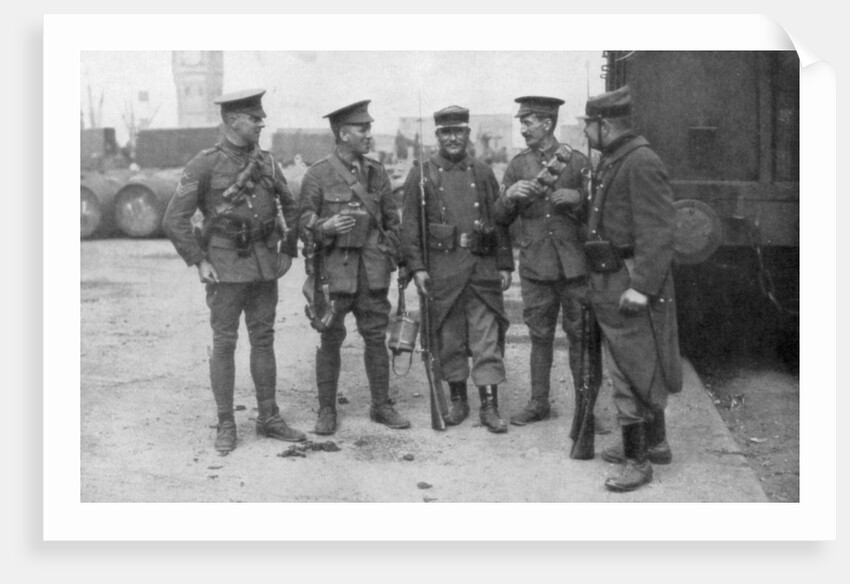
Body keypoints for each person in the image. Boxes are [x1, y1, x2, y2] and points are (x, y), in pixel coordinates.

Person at [162, 88, 306, 453]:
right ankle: (226, 423)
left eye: (261, 117)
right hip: (224, 269)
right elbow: (174, 219)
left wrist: (288, 248)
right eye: (254, 118)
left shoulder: (268, 163)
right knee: (224, 344)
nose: (261, 122)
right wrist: (199, 260)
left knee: (264, 340)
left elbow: (291, 206)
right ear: (231, 121)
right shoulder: (204, 164)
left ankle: (268, 417)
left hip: (263, 267)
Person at [580, 85, 683, 492]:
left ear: (604, 124)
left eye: (588, 124)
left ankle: (637, 461)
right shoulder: (617, 159)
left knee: (630, 369)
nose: (585, 132)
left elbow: (659, 230)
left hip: (628, 280)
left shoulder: (640, 161)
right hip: (611, 278)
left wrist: (641, 286)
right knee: (639, 361)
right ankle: (655, 443)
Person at [298, 100, 410, 435]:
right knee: (330, 338)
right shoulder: (317, 174)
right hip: (333, 271)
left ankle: (381, 405)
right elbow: (302, 221)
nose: (368, 135)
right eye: (362, 129)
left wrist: (396, 259)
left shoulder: (376, 173)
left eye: (369, 128)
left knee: (376, 337)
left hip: (372, 270)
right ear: (343, 133)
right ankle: (327, 411)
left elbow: (392, 221)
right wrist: (325, 226)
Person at [401, 106, 514, 433]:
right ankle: (458, 401)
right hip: (443, 270)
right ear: (437, 136)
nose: (453, 138)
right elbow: (410, 228)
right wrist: (418, 268)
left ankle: (490, 406)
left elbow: (499, 222)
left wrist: (505, 263)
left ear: (468, 134)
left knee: (485, 338)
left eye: (459, 131)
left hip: (481, 267)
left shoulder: (482, 172)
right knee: (449, 339)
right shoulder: (421, 175)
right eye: (446, 132)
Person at [493, 96, 589, 426]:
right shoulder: (518, 166)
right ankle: (538, 403)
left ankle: (585, 406)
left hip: (574, 265)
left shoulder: (576, 162)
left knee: (581, 336)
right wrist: (508, 197)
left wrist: (579, 198)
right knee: (540, 336)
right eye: (521, 122)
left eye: (528, 121)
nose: (522, 129)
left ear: (547, 124)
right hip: (537, 265)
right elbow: (498, 218)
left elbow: (599, 211)